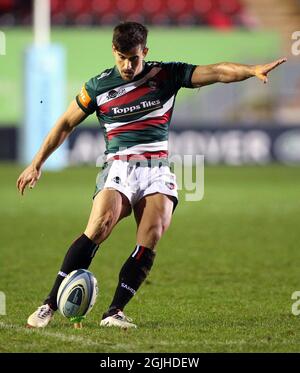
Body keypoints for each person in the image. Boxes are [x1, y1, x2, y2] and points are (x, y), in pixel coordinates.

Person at [17, 22, 286, 329]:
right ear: (114, 52)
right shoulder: (98, 86)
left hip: (156, 168)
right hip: (119, 165)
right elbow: (66, 123)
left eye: (134, 58)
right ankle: (49, 303)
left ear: (144, 51)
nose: (128, 65)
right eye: (122, 58)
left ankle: (114, 311)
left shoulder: (166, 75)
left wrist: (251, 71)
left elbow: (218, 72)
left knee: (152, 233)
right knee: (101, 224)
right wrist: (36, 162)